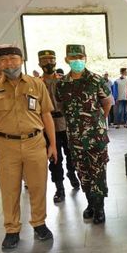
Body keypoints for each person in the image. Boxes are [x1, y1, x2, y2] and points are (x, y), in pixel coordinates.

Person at [0, 43, 56, 251]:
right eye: (4, 60)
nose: (9, 63)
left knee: (38, 186)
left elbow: (46, 115)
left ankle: (39, 224)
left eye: (13, 58)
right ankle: (12, 230)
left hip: (35, 142)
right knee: (9, 189)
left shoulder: (36, 84)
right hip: (6, 145)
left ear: (21, 60)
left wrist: (53, 145)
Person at [56, 45, 113, 224]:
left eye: (80, 57)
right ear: (66, 60)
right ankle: (90, 204)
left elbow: (107, 103)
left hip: (96, 136)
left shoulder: (96, 80)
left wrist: (97, 122)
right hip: (75, 138)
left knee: (98, 171)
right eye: (73, 58)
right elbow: (61, 108)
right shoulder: (62, 84)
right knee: (82, 172)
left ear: (85, 58)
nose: (77, 61)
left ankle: (100, 208)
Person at [38, 49, 80, 203]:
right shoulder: (37, 83)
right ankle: (59, 188)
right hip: (47, 127)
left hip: (66, 124)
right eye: (45, 61)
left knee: (72, 154)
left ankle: (72, 173)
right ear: (39, 63)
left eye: (51, 60)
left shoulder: (64, 81)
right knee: (55, 159)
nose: (48, 63)